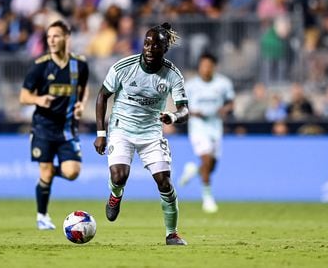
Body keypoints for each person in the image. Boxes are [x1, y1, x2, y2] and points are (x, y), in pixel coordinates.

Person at [93, 23, 189, 245]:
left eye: (155, 44)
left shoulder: (173, 75)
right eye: (146, 43)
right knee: (119, 176)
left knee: (164, 182)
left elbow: (185, 109)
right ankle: (115, 196)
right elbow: (102, 96)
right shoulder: (123, 67)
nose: (149, 48)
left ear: (165, 48)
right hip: (121, 129)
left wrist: (173, 117)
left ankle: (171, 233)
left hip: (151, 133)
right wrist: (101, 133)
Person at [19, 20, 88, 230]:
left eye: (56, 36)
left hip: (67, 129)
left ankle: (47, 172)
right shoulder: (40, 66)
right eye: (48, 37)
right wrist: (39, 100)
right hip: (43, 128)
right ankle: (42, 216)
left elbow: (84, 90)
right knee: (46, 172)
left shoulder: (80, 65)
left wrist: (81, 105)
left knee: (72, 172)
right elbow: (23, 96)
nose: (51, 40)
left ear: (67, 37)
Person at [179, 52, 235, 214]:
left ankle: (194, 170)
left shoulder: (223, 83)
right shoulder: (190, 86)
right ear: (199, 67)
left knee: (211, 166)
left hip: (215, 127)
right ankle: (208, 198)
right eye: (203, 66)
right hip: (198, 127)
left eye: (209, 66)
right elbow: (181, 106)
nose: (206, 69)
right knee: (207, 157)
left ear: (213, 67)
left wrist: (224, 109)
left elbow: (231, 103)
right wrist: (192, 112)